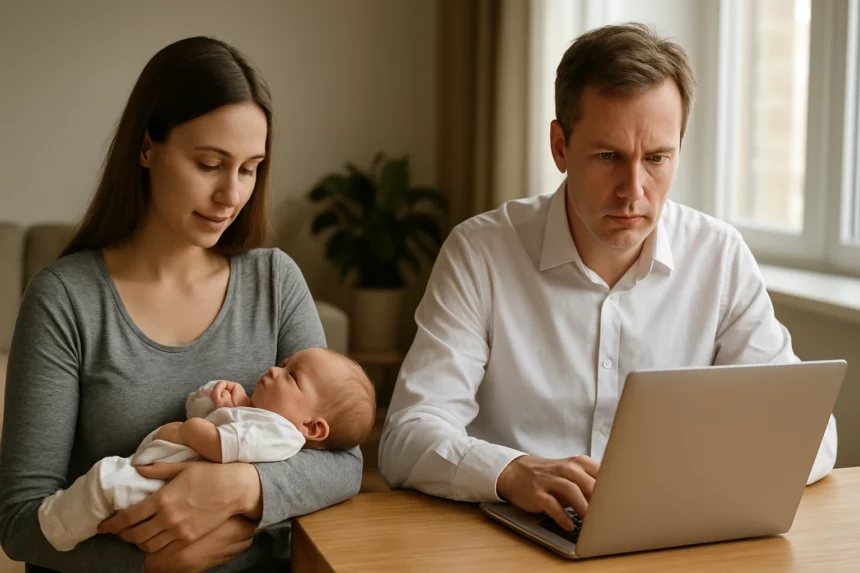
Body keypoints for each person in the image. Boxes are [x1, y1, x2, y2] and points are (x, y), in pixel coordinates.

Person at [378, 22, 838, 533]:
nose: (634, 190)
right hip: (508, 536)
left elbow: (812, 435)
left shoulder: (720, 257)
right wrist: (509, 471)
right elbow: (406, 438)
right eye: (608, 157)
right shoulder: (480, 253)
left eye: (658, 158)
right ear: (560, 147)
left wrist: (692, 481)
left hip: (673, 538)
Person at [0, 37, 364, 573]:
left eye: (250, 168)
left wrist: (240, 486)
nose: (232, 196)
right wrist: (156, 563)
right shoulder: (66, 299)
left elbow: (343, 462)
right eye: (210, 163)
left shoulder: (275, 280)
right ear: (147, 147)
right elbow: (20, 522)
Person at [39, 347, 376, 553]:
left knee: (105, 482)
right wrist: (218, 401)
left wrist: (191, 429)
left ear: (312, 428)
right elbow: (218, 426)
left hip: (166, 490)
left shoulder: (283, 434)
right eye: (284, 363)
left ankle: (56, 529)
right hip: (166, 478)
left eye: (292, 377)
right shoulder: (264, 420)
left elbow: (220, 445)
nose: (275, 369)